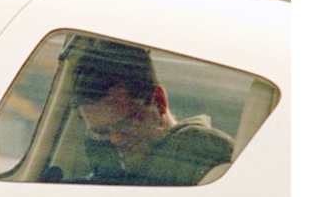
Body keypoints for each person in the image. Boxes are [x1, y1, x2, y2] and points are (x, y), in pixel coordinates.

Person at [71, 41, 234, 186]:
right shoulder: (122, 171)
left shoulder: (196, 150)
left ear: (159, 101)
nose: (116, 140)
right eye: (102, 132)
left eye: (126, 123)